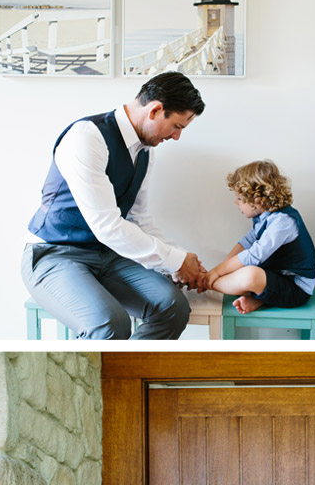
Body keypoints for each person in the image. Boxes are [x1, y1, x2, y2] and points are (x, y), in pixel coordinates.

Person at [21, 70, 207, 342]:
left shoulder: (145, 152)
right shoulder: (87, 137)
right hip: (55, 253)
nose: (177, 137)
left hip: (108, 256)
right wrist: (176, 261)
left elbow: (139, 219)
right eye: (177, 126)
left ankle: (129, 378)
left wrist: (180, 260)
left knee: (173, 306)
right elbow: (107, 226)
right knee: (110, 325)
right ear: (155, 110)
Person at [202, 161, 315, 318]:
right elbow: (245, 242)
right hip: (276, 277)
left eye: (240, 198)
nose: (236, 202)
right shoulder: (264, 217)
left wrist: (215, 274)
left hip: (295, 289)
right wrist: (219, 269)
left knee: (250, 275)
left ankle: (203, 283)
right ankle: (260, 300)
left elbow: (253, 255)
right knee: (238, 268)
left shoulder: (283, 222)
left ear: (258, 201)